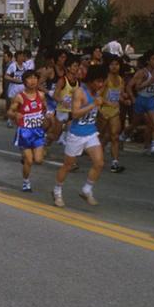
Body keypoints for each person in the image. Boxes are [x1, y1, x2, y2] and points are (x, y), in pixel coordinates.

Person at [52, 64, 107, 207]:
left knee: (99, 162)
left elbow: (95, 110)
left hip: (91, 132)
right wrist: (93, 104)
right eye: (98, 81)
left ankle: (86, 190)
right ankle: (57, 191)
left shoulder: (97, 93)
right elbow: (75, 114)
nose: (101, 84)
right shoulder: (80, 92)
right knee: (68, 165)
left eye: (102, 81)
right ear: (91, 80)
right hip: (76, 134)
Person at [7, 70, 47, 192]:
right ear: (24, 81)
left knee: (39, 160)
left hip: (38, 131)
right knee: (29, 160)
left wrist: (46, 117)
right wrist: (15, 115)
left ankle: (25, 158)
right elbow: (9, 112)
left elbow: (45, 109)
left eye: (35, 78)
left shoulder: (41, 95)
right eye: (30, 78)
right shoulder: (20, 97)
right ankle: (26, 182)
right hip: (25, 132)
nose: (33, 81)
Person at [124, 50, 154, 156]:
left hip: (151, 100)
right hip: (141, 99)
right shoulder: (142, 72)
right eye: (153, 59)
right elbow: (133, 86)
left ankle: (153, 148)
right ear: (148, 60)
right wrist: (132, 98)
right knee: (134, 124)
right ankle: (123, 135)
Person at [97, 55, 126, 173]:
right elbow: (97, 95)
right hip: (103, 111)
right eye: (112, 64)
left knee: (114, 136)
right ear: (108, 66)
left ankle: (115, 162)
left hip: (114, 111)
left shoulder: (120, 79)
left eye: (117, 64)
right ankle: (97, 156)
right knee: (99, 136)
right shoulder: (105, 79)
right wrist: (108, 102)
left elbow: (120, 95)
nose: (114, 67)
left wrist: (125, 99)